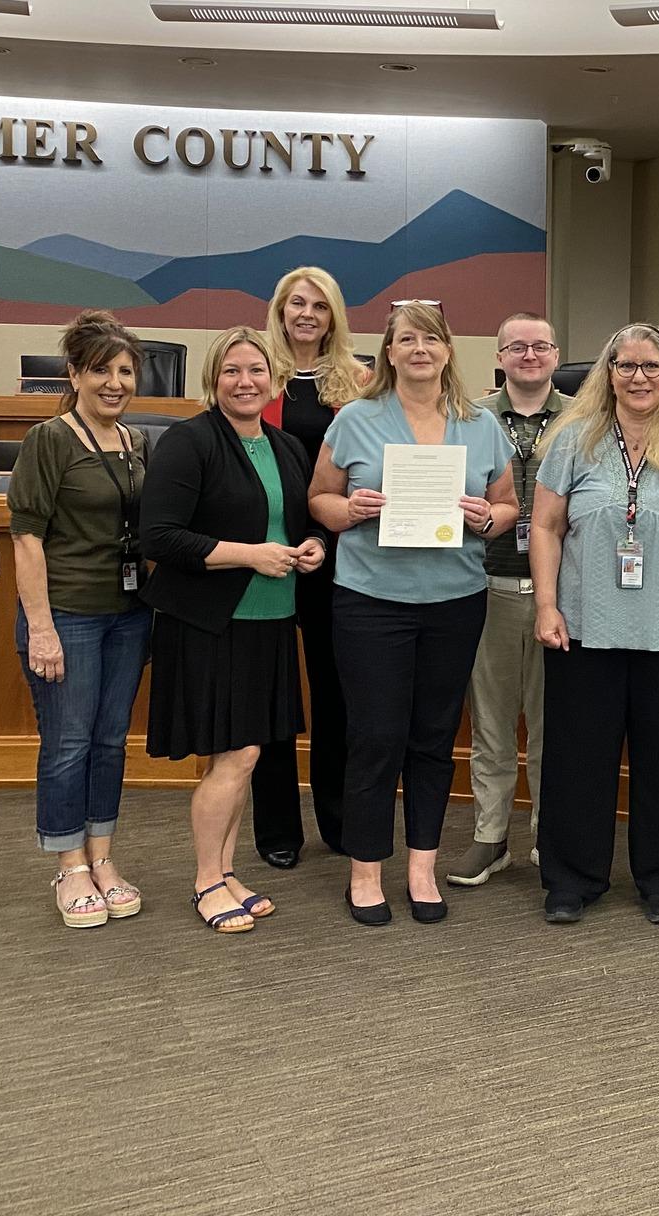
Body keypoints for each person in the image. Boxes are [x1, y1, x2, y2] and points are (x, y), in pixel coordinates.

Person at [310, 301, 517, 926]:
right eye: (406, 339)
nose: (419, 348)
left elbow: (506, 505)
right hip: (371, 601)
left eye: (431, 338)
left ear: (448, 351)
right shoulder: (354, 419)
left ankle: (422, 867)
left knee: (432, 739)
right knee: (375, 736)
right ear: (390, 353)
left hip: (454, 602)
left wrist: (488, 517)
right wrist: (347, 511)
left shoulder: (479, 423)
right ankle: (366, 870)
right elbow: (320, 497)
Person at [529, 323, 659, 925]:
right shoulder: (573, 441)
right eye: (627, 366)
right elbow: (543, 527)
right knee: (576, 760)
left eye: (651, 367)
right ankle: (572, 880)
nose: (639, 377)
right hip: (583, 628)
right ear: (609, 372)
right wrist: (546, 604)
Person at [141, 326, 325, 934]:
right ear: (212, 380)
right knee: (237, 754)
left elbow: (291, 521)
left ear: (272, 380)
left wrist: (310, 548)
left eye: (255, 371)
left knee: (243, 757)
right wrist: (250, 554)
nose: (244, 382)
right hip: (211, 624)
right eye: (231, 372)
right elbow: (160, 538)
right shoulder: (189, 442)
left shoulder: (284, 445)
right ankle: (205, 881)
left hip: (271, 622)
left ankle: (224, 870)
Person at [10, 309, 152, 929]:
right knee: (68, 742)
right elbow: (26, 540)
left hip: (128, 614)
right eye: (101, 371)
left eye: (125, 371)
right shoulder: (50, 439)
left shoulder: (137, 442)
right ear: (74, 374)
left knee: (111, 740)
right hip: (66, 614)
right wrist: (40, 627)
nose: (114, 383)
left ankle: (103, 856)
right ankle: (69, 862)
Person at [249, 265, 368, 868]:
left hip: (335, 557)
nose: (306, 315)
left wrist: (324, 533)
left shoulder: (360, 381)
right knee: (271, 695)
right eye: (296, 303)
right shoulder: (251, 374)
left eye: (319, 306)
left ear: (333, 316)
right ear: (279, 309)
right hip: (261, 557)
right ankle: (276, 830)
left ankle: (340, 822)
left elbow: (366, 467)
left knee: (335, 694)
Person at [446, 312, 567, 887]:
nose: (529, 355)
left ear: (556, 354)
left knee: (552, 726)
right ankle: (489, 838)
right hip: (485, 585)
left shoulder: (585, 419)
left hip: (561, 595)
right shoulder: (464, 418)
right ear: (498, 357)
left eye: (540, 346)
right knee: (491, 726)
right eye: (516, 346)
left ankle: (550, 835)